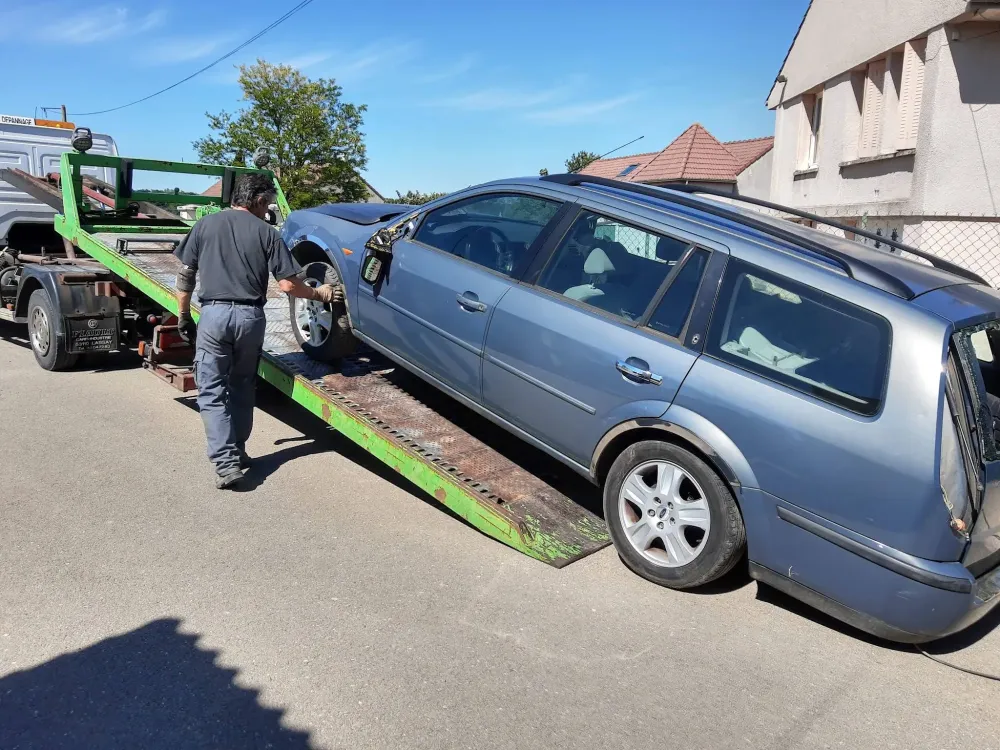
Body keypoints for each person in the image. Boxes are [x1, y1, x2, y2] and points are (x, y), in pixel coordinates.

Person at [174, 173, 338, 489]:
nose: (269, 210)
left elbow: (185, 277)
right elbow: (289, 284)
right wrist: (321, 294)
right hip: (250, 319)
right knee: (241, 385)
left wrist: (183, 314)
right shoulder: (267, 233)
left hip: (214, 316)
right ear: (259, 200)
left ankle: (226, 464)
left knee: (210, 389)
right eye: (269, 204)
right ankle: (236, 452)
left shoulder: (205, 225)